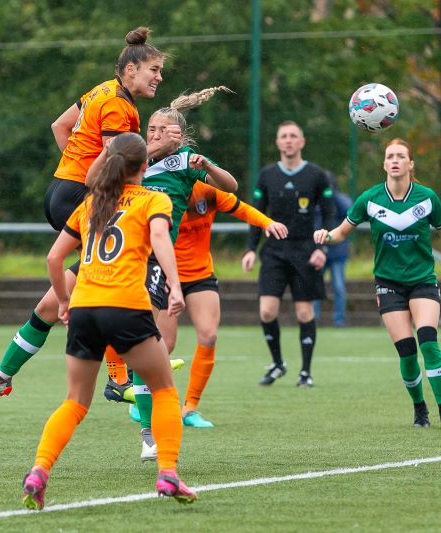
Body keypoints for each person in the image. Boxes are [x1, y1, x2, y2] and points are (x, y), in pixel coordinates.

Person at [0, 26, 167, 401]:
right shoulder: (119, 106)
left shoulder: (100, 90)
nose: (159, 77)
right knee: (120, 277)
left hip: (61, 190)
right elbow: (119, 160)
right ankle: (120, 379)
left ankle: (2, 375)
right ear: (131, 69)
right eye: (153, 69)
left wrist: (77, 170)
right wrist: (158, 148)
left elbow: (60, 126)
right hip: (79, 196)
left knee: (71, 293)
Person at [21, 132, 196, 510]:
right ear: (144, 167)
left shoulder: (91, 203)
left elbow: (54, 260)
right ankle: (168, 473)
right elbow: (162, 241)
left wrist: (65, 302)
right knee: (164, 389)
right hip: (127, 306)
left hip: (85, 307)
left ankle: (39, 471)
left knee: (75, 402)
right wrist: (176, 287)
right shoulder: (153, 199)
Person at [100, 87, 239, 459]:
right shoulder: (134, 158)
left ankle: (147, 429)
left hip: (155, 262)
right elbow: (101, 176)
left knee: (151, 342)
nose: (154, 133)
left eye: (163, 129)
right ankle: (118, 380)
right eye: (152, 127)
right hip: (119, 253)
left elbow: (231, 188)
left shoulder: (185, 163)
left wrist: (206, 166)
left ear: (178, 135)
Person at [313, 138, 441, 429]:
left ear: (411, 164)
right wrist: (326, 236)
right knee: (408, 351)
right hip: (389, 284)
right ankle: (419, 408)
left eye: (401, 156)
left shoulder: (427, 198)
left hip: (423, 280)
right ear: (384, 164)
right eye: (390, 156)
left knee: (428, 341)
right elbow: (342, 232)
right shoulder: (370, 199)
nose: (395, 160)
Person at [154, 180, 288, 429]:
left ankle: (190, 408)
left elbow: (242, 208)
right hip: (163, 275)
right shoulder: (157, 189)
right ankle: (141, 396)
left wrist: (267, 223)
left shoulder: (206, 190)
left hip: (200, 275)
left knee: (209, 335)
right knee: (164, 343)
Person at [242, 121, 335, 388]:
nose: (289, 140)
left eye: (294, 136)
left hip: (305, 251)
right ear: (277, 142)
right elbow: (256, 215)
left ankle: (305, 372)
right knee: (267, 311)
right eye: (284, 136)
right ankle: (278, 364)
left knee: (305, 313)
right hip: (273, 252)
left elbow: (329, 214)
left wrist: (322, 248)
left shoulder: (317, 175)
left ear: (302, 142)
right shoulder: (267, 175)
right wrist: (251, 249)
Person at [313, 176, 353, 327]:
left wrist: (333, 197)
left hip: (338, 253)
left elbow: (351, 211)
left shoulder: (340, 200)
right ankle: (313, 319)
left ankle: (339, 321)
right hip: (319, 252)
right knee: (316, 287)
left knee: (338, 287)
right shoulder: (315, 201)